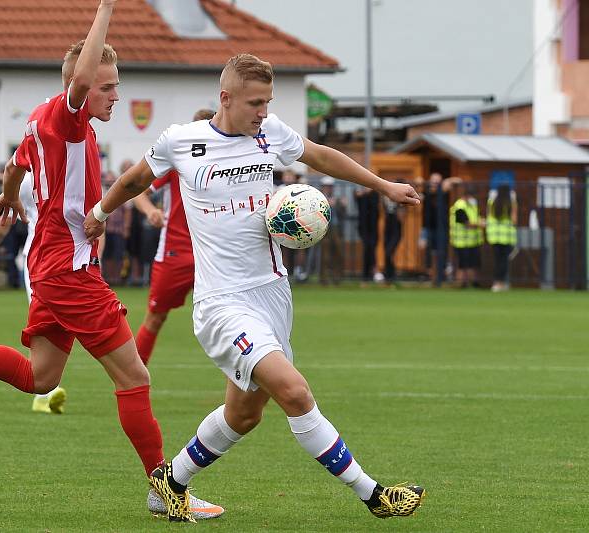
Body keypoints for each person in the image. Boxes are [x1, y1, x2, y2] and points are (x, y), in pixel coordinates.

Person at [0, 1, 220, 520]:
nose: (115, 94)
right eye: (108, 87)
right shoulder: (66, 119)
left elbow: (16, 162)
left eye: (116, 84)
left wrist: (10, 194)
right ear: (80, 86)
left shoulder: (45, 119)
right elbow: (79, 81)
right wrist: (107, 7)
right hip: (67, 270)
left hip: (48, 267)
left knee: (41, 379)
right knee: (134, 379)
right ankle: (165, 492)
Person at [84, 53, 425, 522]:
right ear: (225, 99)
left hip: (273, 294)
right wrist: (100, 215)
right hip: (223, 305)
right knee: (296, 393)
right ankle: (374, 495)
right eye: (254, 103)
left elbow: (321, 155)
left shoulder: (271, 133)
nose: (263, 111)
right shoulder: (182, 141)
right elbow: (134, 180)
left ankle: (170, 482)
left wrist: (381, 184)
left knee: (244, 415)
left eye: (267, 101)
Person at [0, 172, 67, 414]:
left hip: (75, 263)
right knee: (44, 327)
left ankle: (46, 388)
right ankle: (44, 393)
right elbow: (3, 221)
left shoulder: (78, 163)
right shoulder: (27, 177)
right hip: (40, 263)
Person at [131, 108, 214, 366]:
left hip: (214, 255)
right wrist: (151, 211)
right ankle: (130, 377)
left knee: (229, 322)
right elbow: (137, 193)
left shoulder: (229, 163)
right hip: (175, 253)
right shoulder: (177, 160)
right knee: (155, 317)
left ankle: (240, 393)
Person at [449, 181, 484, 288]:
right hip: (461, 241)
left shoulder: (472, 205)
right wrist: (480, 224)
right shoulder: (460, 206)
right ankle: (462, 283)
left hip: (473, 240)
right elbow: (466, 223)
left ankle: (473, 282)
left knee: (473, 263)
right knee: (463, 264)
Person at [100, 170, 131, 285]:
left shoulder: (121, 192)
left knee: (118, 254)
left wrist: (126, 228)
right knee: (106, 254)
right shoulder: (102, 191)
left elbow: (128, 211)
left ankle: (117, 277)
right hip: (106, 230)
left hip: (119, 229)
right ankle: (107, 277)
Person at [486, 184, 517, 292]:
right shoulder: (510, 203)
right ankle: (501, 283)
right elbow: (514, 220)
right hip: (506, 236)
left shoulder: (492, 202)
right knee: (503, 260)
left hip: (494, 235)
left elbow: (488, 217)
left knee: (497, 259)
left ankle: (496, 283)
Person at [317, 176, 345, 284]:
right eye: (326, 187)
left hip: (336, 228)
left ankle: (337, 278)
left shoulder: (336, 199)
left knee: (338, 253)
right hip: (323, 229)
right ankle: (323, 279)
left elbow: (343, 214)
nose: (328, 189)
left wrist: (341, 205)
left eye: (330, 187)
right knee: (325, 255)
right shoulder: (318, 199)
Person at [355, 187, 380, 285]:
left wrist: (369, 193)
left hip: (373, 228)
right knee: (367, 249)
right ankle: (370, 273)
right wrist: (364, 193)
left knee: (371, 248)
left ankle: (370, 273)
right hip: (364, 228)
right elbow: (357, 197)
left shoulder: (375, 195)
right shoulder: (361, 195)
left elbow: (375, 205)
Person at [382, 183, 405, 284]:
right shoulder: (385, 200)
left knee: (388, 252)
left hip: (396, 231)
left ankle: (391, 275)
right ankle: (389, 275)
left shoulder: (399, 202)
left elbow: (402, 217)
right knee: (386, 253)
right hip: (388, 230)